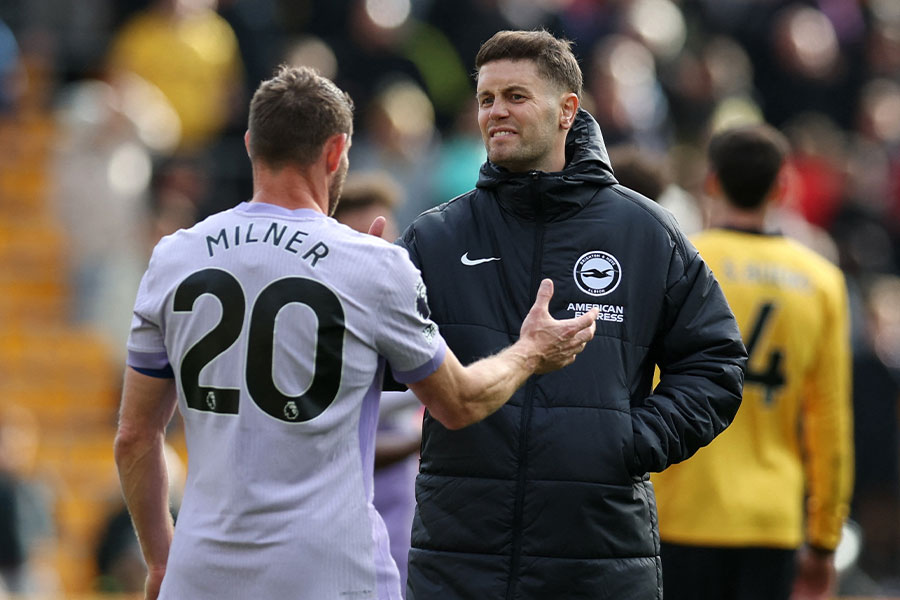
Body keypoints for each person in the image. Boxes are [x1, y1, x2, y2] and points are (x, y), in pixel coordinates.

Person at [114, 64, 598, 600]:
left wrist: (162, 561)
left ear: (252, 144)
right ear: (336, 150)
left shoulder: (172, 258)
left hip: (201, 575)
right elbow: (458, 403)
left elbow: (135, 438)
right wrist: (529, 353)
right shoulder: (370, 266)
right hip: (329, 574)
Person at [397, 29, 747, 599]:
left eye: (515, 96)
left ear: (567, 111)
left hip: (599, 560)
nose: (495, 113)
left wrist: (629, 441)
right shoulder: (436, 237)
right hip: (460, 558)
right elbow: (384, 366)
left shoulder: (644, 232)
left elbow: (716, 363)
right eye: (486, 99)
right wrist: (360, 292)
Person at [650, 124, 854, 600]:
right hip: (773, 518)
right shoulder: (821, 281)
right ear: (782, 187)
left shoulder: (678, 260)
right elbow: (829, 421)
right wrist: (825, 539)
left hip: (679, 509)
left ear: (711, 182)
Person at [333, 172, 419, 597]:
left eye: (387, 241)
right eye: (364, 240)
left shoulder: (414, 322)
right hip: (333, 540)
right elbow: (342, 445)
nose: (379, 253)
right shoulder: (319, 335)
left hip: (401, 527)